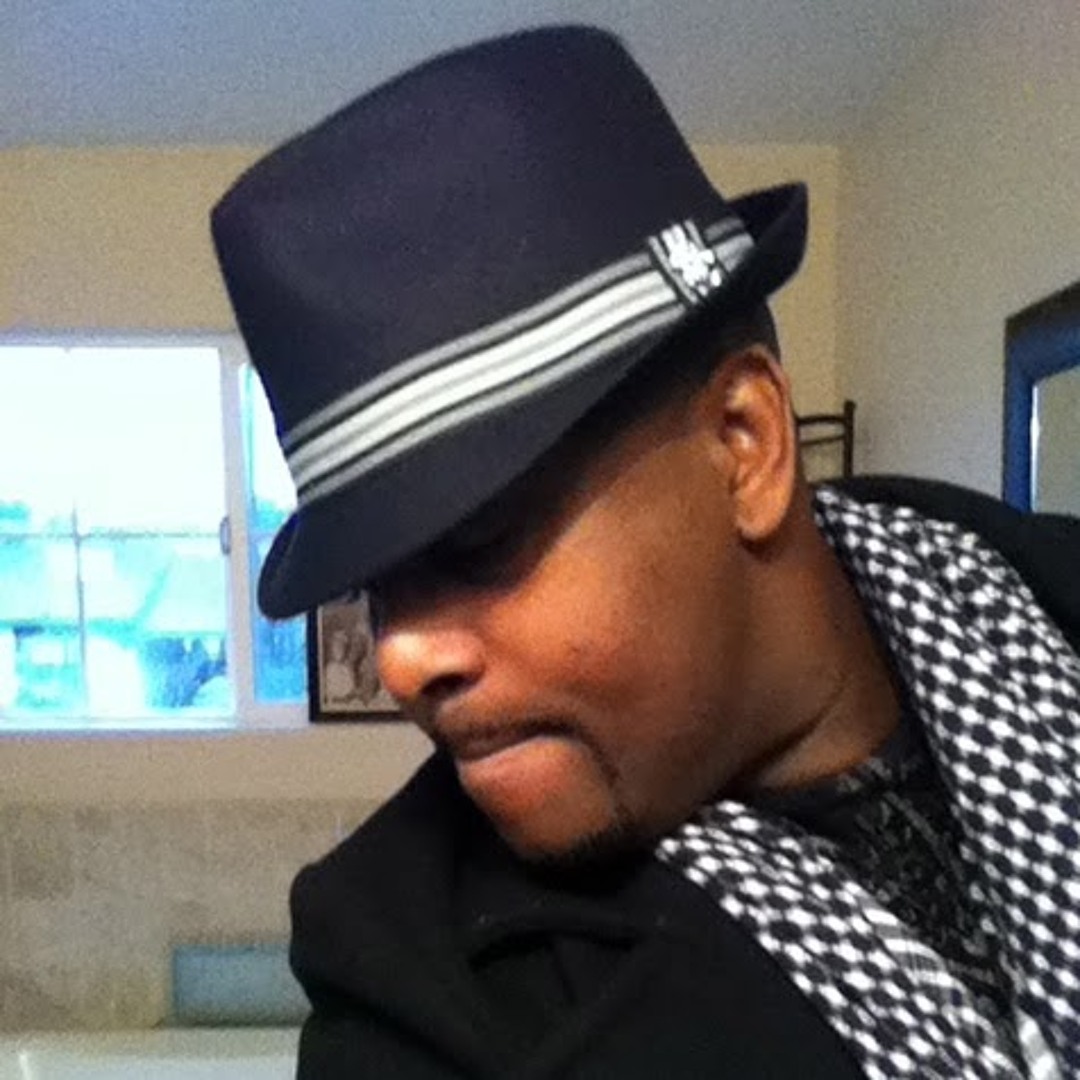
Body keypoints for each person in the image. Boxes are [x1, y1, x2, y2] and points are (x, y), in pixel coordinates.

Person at [210, 26, 1080, 1079]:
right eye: (378, 590)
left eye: (480, 541)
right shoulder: (412, 982)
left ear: (743, 444)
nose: (398, 660)